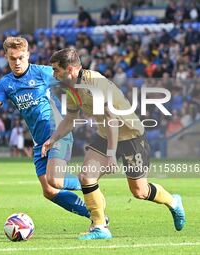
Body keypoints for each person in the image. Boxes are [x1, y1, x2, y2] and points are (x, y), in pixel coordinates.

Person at [42, 48, 186, 240]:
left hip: (130, 135)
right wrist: (53, 139)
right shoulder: (72, 88)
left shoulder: (94, 81)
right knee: (86, 176)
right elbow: (70, 118)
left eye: (56, 70)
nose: (54, 74)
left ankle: (173, 201)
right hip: (105, 133)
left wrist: (111, 154)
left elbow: (112, 118)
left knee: (140, 191)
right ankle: (100, 227)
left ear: (69, 69)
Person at [0, 37, 91, 221]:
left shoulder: (43, 73)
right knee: (49, 191)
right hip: (39, 142)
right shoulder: (5, 83)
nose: (17, 62)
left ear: (28, 55)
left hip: (57, 133)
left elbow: (71, 79)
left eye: (21, 57)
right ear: (6, 57)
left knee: (56, 181)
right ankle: (93, 214)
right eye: (12, 58)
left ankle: (88, 182)